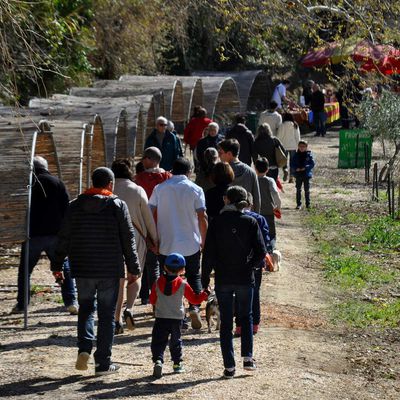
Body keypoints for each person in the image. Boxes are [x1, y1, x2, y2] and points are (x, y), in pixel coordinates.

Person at [51, 167, 140, 375]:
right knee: (107, 315)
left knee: (86, 309)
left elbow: (63, 237)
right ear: (110, 184)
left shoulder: (74, 206)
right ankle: (103, 363)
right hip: (110, 268)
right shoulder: (117, 205)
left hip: (82, 267)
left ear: (92, 182)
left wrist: (57, 265)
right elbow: (128, 238)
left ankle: (84, 349)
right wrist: (134, 268)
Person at [202, 186, 266, 378]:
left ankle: (229, 366)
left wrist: (205, 278)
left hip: (223, 278)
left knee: (226, 323)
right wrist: (251, 265)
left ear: (226, 200)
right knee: (246, 317)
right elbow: (261, 251)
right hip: (245, 277)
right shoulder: (251, 222)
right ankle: (247, 358)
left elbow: (209, 254)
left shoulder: (216, 222)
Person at [149, 158, 208, 329]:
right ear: (189, 171)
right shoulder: (196, 189)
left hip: (166, 243)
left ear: (172, 170)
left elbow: (149, 210)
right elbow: (202, 216)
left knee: (169, 279)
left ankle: (176, 315)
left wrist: (152, 236)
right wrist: (203, 239)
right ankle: (194, 307)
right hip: (190, 242)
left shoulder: (160, 188)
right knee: (193, 275)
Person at [13, 156, 77, 314]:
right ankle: (71, 302)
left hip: (32, 235)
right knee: (64, 268)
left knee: (25, 272)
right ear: (46, 167)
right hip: (55, 235)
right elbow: (66, 209)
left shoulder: (28, 184)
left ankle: (22, 304)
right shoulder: (57, 182)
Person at [111, 159, 158, 334]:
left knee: (118, 280)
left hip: (111, 238)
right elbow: (148, 218)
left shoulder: (108, 189)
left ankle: (115, 320)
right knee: (134, 276)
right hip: (135, 237)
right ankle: (129, 308)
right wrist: (154, 239)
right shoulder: (138, 190)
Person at [150, 253, 209, 378]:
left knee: (158, 341)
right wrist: (205, 293)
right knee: (176, 341)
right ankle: (177, 364)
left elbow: (152, 300)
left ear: (165, 267)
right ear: (183, 269)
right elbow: (194, 300)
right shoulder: (183, 284)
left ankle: (158, 360)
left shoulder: (157, 282)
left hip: (161, 317)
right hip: (176, 318)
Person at [134, 147, 172, 303]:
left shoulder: (139, 179)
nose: (143, 161)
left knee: (145, 262)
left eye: (144, 158)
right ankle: (161, 294)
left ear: (150, 159)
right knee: (163, 264)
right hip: (166, 226)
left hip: (146, 226)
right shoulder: (169, 178)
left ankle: (145, 295)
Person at [234, 192, 271, 337]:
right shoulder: (259, 219)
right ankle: (254, 324)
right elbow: (265, 240)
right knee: (254, 293)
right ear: (251, 204)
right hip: (255, 262)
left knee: (238, 294)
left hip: (236, 262)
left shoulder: (233, 218)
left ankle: (239, 326)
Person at [218, 139, 261, 213]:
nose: (219, 156)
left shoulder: (220, 171)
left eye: (221, 153)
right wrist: (256, 217)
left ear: (229, 154)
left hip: (225, 217)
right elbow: (257, 199)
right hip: (247, 217)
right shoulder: (251, 172)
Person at [255, 158, 281, 248]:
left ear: (255, 168)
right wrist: (278, 206)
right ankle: (270, 249)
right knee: (270, 233)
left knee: (257, 232)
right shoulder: (270, 180)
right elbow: (275, 193)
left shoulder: (253, 179)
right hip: (268, 211)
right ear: (267, 169)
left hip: (256, 211)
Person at [195, 122, 223, 189]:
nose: (212, 131)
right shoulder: (202, 142)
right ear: (208, 130)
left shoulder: (222, 141)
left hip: (218, 169)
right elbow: (199, 156)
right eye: (211, 129)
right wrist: (206, 168)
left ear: (217, 130)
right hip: (204, 168)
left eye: (214, 130)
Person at [290, 141, 315, 210]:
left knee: (307, 190)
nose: (301, 148)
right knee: (298, 189)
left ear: (306, 147)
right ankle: (298, 204)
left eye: (303, 147)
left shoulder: (309, 155)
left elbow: (312, 164)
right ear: (298, 147)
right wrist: (295, 168)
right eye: (300, 146)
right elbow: (292, 163)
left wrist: (306, 167)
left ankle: (308, 204)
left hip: (306, 174)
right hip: (298, 174)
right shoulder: (295, 155)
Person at [277, 113, 301, 183]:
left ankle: (285, 170)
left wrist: (277, 144)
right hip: (293, 146)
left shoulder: (282, 125)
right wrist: (298, 145)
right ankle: (291, 177)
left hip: (284, 146)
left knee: (284, 160)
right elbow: (297, 136)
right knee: (292, 162)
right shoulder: (295, 125)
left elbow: (279, 136)